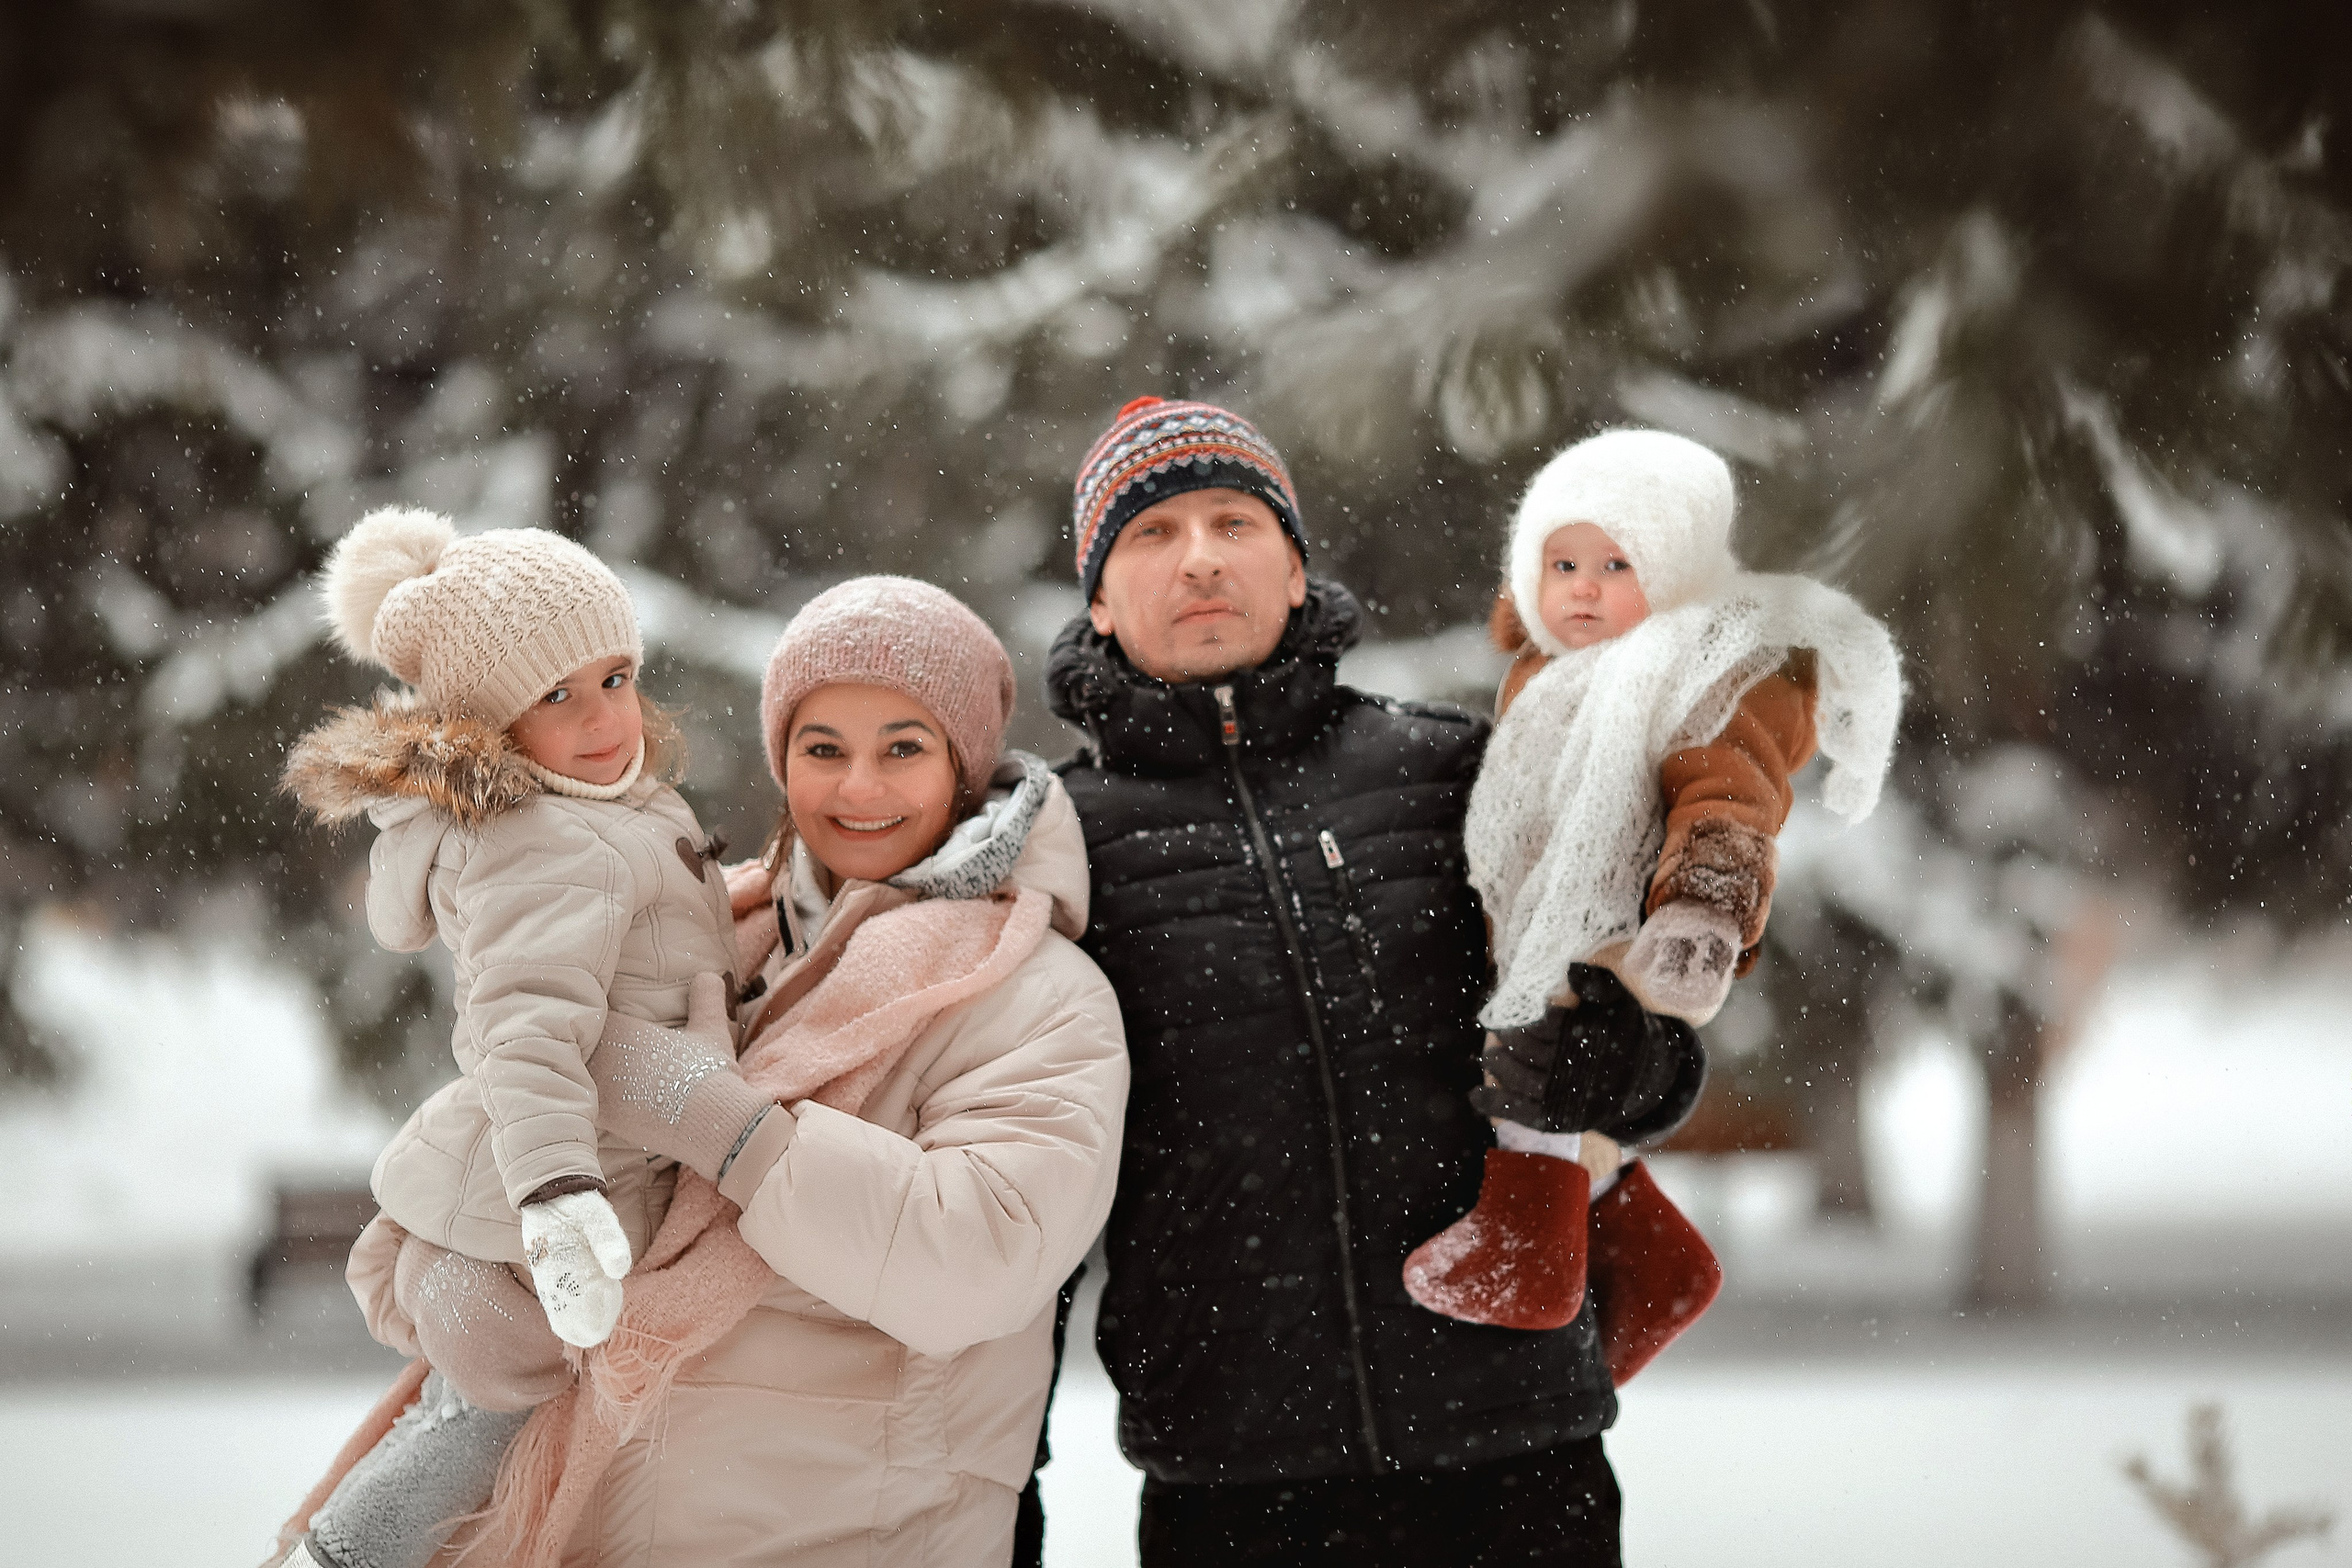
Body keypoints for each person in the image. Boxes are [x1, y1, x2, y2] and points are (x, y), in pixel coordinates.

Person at [435, 574, 1129, 1566]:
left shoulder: (1034, 992)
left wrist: (730, 1129)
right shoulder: (714, 934)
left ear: (964, 767)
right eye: (823, 750)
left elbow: (974, 1263)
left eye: (903, 748)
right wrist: (440, 1271)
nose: (859, 789)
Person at [1042, 396, 1617, 1564]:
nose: (1198, 556)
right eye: (1149, 535)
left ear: (1295, 570)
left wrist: (1629, 1057)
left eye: (1232, 522)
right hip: (1234, 1479)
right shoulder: (1054, 845)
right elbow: (1010, 1162)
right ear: (1099, 600)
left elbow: (1637, 1034)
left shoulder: (1455, 768)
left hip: (1514, 1449)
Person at [274, 508, 739, 1568]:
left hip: (552, 1192)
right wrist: (554, 1195)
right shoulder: (548, 843)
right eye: (556, 695)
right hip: (534, 1218)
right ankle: (343, 1556)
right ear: (490, 721)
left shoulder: (602, 809)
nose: (602, 716)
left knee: (493, 1426)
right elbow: (525, 1032)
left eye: (614, 677)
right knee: (486, 1423)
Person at [1401, 427, 1904, 1342]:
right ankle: (1649, 1260)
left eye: (1616, 563)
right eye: (1561, 562)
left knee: (1537, 1070)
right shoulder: (1549, 676)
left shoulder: (1703, 675)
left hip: (1625, 919)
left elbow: (1731, 796)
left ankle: (1531, 1256)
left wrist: (1702, 911)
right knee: (1536, 1076)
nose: (1583, 586)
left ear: (1676, 574)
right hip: (1550, 912)